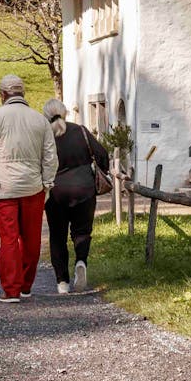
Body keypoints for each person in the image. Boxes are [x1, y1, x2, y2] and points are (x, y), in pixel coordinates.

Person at [0, 75, 57, 303]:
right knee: (31, 239)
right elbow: (50, 157)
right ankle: (26, 285)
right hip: (33, 187)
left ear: (2, 95)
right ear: (23, 94)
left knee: (8, 239)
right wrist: (47, 183)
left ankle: (11, 290)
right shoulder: (40, 120)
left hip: (4, 187)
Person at [42, 99, 108, 294]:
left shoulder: (45, 136)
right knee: (82, 232)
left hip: (55, 193)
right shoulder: (80, 131)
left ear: (46, 116)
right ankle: (81, 262)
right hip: (84, 190)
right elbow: (102, 155)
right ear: (65, 113)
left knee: (57, 236)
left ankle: (62, 282)